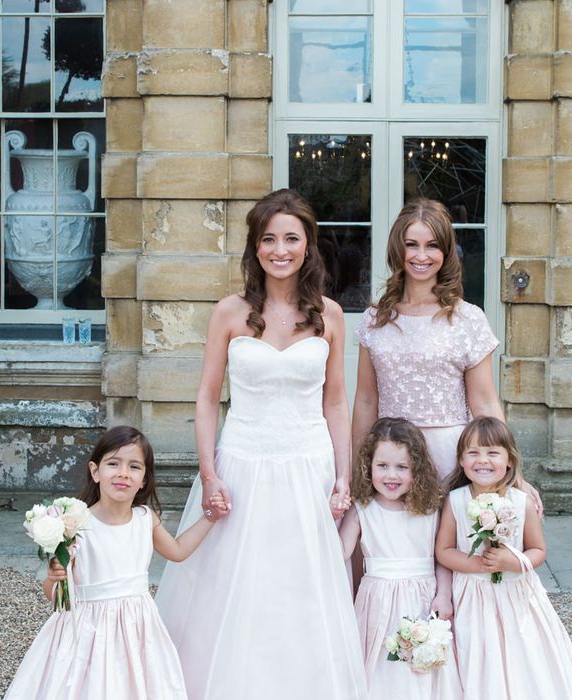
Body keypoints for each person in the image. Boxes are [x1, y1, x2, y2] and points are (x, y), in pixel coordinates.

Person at [155, 189, 368, 700]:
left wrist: (344, 476)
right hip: (243, 463)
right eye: (268, 238)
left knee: (301, 589)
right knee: (233, 588)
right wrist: (209, 472)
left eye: (291, 238)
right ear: (254, 247)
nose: (280, 249)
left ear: (308, 245)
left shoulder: (331, 315)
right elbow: (207, 399)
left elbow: (335, 402)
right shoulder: (229, 313)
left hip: (308, 464)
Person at [3, 425, 228, 700]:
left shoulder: (146, 519)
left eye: (134, 467)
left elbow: (178, 551)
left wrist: (210, 517)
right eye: (113, 464)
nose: (123, 473)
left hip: (137, 628)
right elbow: (56, 597)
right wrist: (54, 577)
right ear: (95, 471)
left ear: (144, 479)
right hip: (86, 630)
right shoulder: (76, 524)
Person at [435, 417, 572, 700]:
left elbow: (538, 550)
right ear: (461, 460)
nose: (483, 460)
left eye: (493, 453)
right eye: (473, 453)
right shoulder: (456, 500)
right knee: (479, 653)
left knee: (522, 652)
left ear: (509, 460)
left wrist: (511, 562)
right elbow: (443, 550)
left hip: (516, 594)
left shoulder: (521, 501)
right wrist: (476, 564)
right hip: (473, 596)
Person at [352, 198, 505, 481]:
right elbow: (365, 400)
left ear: (446, 251)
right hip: (392, 459)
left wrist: (508, 472)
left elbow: (484, 403)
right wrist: (357, 470)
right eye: (412, 244)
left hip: (448, 455)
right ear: (398, 249)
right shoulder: (375, 319)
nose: (421, 255)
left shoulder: (467, 318)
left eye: (432, 245)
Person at [336, 417, 462, 699]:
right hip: (376, 602)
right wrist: (332, 515)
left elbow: (440, 557)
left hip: (422, 597)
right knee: (381, 669)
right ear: (369, 467)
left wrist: (444, 595)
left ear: (416, 469)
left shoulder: (430, 509)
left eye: (402, 467)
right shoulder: (362, 509)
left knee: (420, 667)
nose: (391, 475)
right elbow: (340, 552)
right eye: (382, 466)